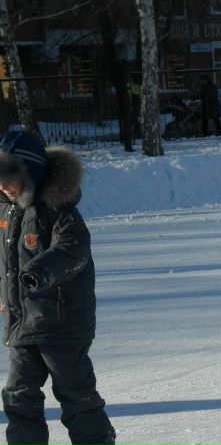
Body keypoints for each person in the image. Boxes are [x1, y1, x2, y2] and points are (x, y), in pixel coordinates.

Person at [0, 131, 116, 445]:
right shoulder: (7, 214)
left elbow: (74, 249)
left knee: (76, 397)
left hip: (63, 326)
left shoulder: (60, 210)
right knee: (18, 397)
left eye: (9, 178)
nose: (3, 186)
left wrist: (38, 271)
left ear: (31, 174)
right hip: (23, 325)